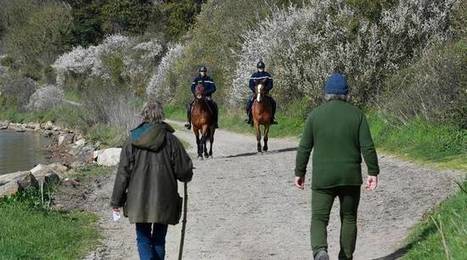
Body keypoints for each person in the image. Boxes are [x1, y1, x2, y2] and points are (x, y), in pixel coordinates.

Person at [294, 73, 380, 260]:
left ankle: (320, 251)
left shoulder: (315, 115)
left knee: (319, 218)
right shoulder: (357, 115)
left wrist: (299, 172)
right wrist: (373, 171)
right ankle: (345, 256)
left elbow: (304, 148)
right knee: (349, 218)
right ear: (346, 94)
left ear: (326, 94)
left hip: (323, 178)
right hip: (350, 177)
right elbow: (367, 146)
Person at [111, 101, 193, 260]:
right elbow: (184, 172)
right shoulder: (171, 140)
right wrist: (187, 172)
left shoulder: (132, 139)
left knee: (143, 239)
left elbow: (123, 173)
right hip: (165, 199)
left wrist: (116, 201)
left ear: (144, 115)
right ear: (161, 114)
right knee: (159, 239)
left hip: (138, 199)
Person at [245, 60, 277, 125]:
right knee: (249, 102)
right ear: (257, 68)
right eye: (260, 68)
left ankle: (272, 118)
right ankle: (250, 118)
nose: (261, 69)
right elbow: (250, 85)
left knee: (273, 102)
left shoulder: (267, 75)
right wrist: (255, 91)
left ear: (264, 68)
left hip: (265, 93)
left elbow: (271, 84)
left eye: (262, 68)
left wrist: (265, 90)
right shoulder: (254, 75)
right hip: (256, 93)